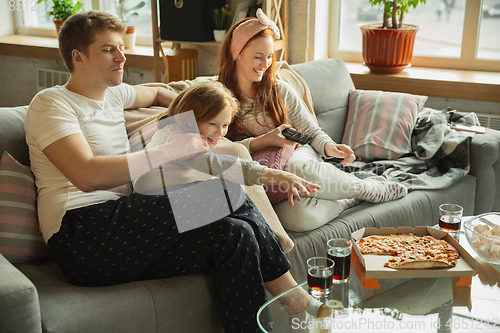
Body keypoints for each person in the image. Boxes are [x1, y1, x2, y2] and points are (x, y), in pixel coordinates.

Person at [24, 10, 317, 333]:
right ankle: (295, 299)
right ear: (78, 57)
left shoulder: (115, 95)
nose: (122, 56)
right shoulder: (52, 103)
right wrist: (168, 150)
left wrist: (193, 115)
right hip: (82, 235)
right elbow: (86, 175)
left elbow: (161, 92)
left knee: (237, 236)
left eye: (121, 47)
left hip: (124, 231)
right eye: (109, 49)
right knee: (226, 191)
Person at [216, 9, 408, 232]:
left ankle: (365, 188)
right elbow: (218, 151)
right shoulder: (220, 99)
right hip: (263, 176)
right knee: (295, 219)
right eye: (258, 57)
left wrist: (330, 147)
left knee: (298, 168)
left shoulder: (280, 91)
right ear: (236, 53)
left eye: (270, 57)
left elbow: (311, 132)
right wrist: (264, 141)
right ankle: (346, 201)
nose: (265, 64)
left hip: (297, 154)